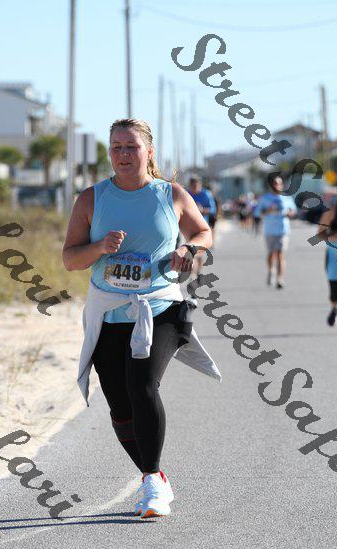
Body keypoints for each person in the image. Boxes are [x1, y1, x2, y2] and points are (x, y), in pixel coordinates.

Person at [62, 118, 221, 519]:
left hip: (160, 307)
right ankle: (157, 476)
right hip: (108, 312)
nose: (123, 154)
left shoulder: (171, 194)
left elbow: (204, 233)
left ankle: (151, 481)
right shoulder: (91, 199)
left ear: (149, 152)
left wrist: (189, 250)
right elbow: (70, 259)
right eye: (116, 147)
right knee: (119, 404)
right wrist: (99, 247)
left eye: (131, 147)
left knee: (143, 385)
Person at [255, 175, 297, 289]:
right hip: (269, 230)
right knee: (271, 254)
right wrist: (268, 210)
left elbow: (293, 211)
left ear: (282, 185)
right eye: (274, 183)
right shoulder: (265, 198)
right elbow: (257, 213)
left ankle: (280, 279)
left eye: (278, 183)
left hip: (283, 230)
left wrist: (290, 213)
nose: (276, 185)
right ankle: (271, 270)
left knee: (280, 254)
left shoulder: (287, 198)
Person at [317, 194, 337, 326]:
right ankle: (335, 307)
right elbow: (320, 233)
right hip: (334, 252)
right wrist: (334, 236)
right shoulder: (332, 210)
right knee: (335, 287)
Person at [187, 176, 217, 279]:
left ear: (200, 185)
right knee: (190, 251)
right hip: (189, 227)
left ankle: (199, 272)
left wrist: (202, 210)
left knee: (200, 252)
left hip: (202, 227)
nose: (194, 188)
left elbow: (213, 209)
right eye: (192, 186)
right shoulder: (186, 194)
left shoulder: (206, 194)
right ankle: (192, 273)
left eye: (196, 186)